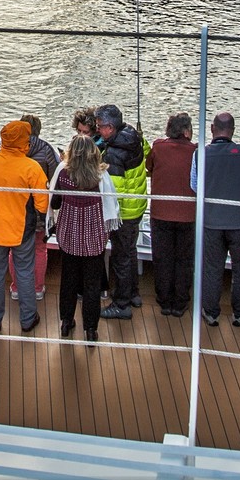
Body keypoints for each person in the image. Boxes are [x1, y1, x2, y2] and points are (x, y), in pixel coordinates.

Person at [0, 119, 49, 333]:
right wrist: (39, 220)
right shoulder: (31, 167)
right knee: (25, 273)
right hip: (22, 230)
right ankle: (27, 319)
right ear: (24, 142)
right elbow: (42, 202)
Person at [192, 111, 240, 327]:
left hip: (212, 221)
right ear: (233, 130)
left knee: (212, 268)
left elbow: (195, 186)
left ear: (212, 129)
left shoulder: (200, 154)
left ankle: (211, 312)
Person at [50, 134, 116, 341]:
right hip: (94, 233)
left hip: (69, 232)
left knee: (68, 280)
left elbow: (55, 203)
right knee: (92, 283)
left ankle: (66, 322)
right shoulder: (100, 175)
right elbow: (110, 204)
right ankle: (90, 328)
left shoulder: (63, 172)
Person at [95, 104, 147, 320]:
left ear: (110, 127)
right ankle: (133, 293)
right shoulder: (134, 138)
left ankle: (122, 303)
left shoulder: (114, 154)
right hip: (137, 206)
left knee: (120, 257)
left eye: (99, 127)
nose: (98, 130)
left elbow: (112, 190)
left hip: (124, 212)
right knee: (130, 252)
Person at [145, 112, 197, 317]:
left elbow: (149, 166)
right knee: (184, 259)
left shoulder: (158, 147)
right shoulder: (195, 151)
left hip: (161, 213)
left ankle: (164, 299)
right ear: (186, 131)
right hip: (187, 214)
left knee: (163, 257)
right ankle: (181, 300)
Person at [9, 112, 58, 304]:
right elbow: (53, 179)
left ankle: (15, 288)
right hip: (38, 210)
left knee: (15, 250)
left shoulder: (11, 150)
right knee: (39, 248)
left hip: (15, 209)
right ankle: (37, 288)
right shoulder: (46, 150)